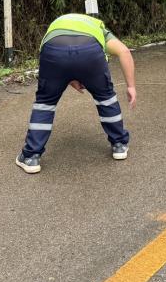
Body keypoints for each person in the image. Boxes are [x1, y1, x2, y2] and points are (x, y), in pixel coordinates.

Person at [15, 13, 137, 174]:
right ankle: (119, 145)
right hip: (90, 52)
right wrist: (131, 86)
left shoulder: (58, 23)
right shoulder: (98, 27)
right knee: (106, 97)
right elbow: (124, 52)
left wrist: (70, 76)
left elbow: (65, 58)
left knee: (45, 103)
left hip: (53, 49)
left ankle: (31, 157)